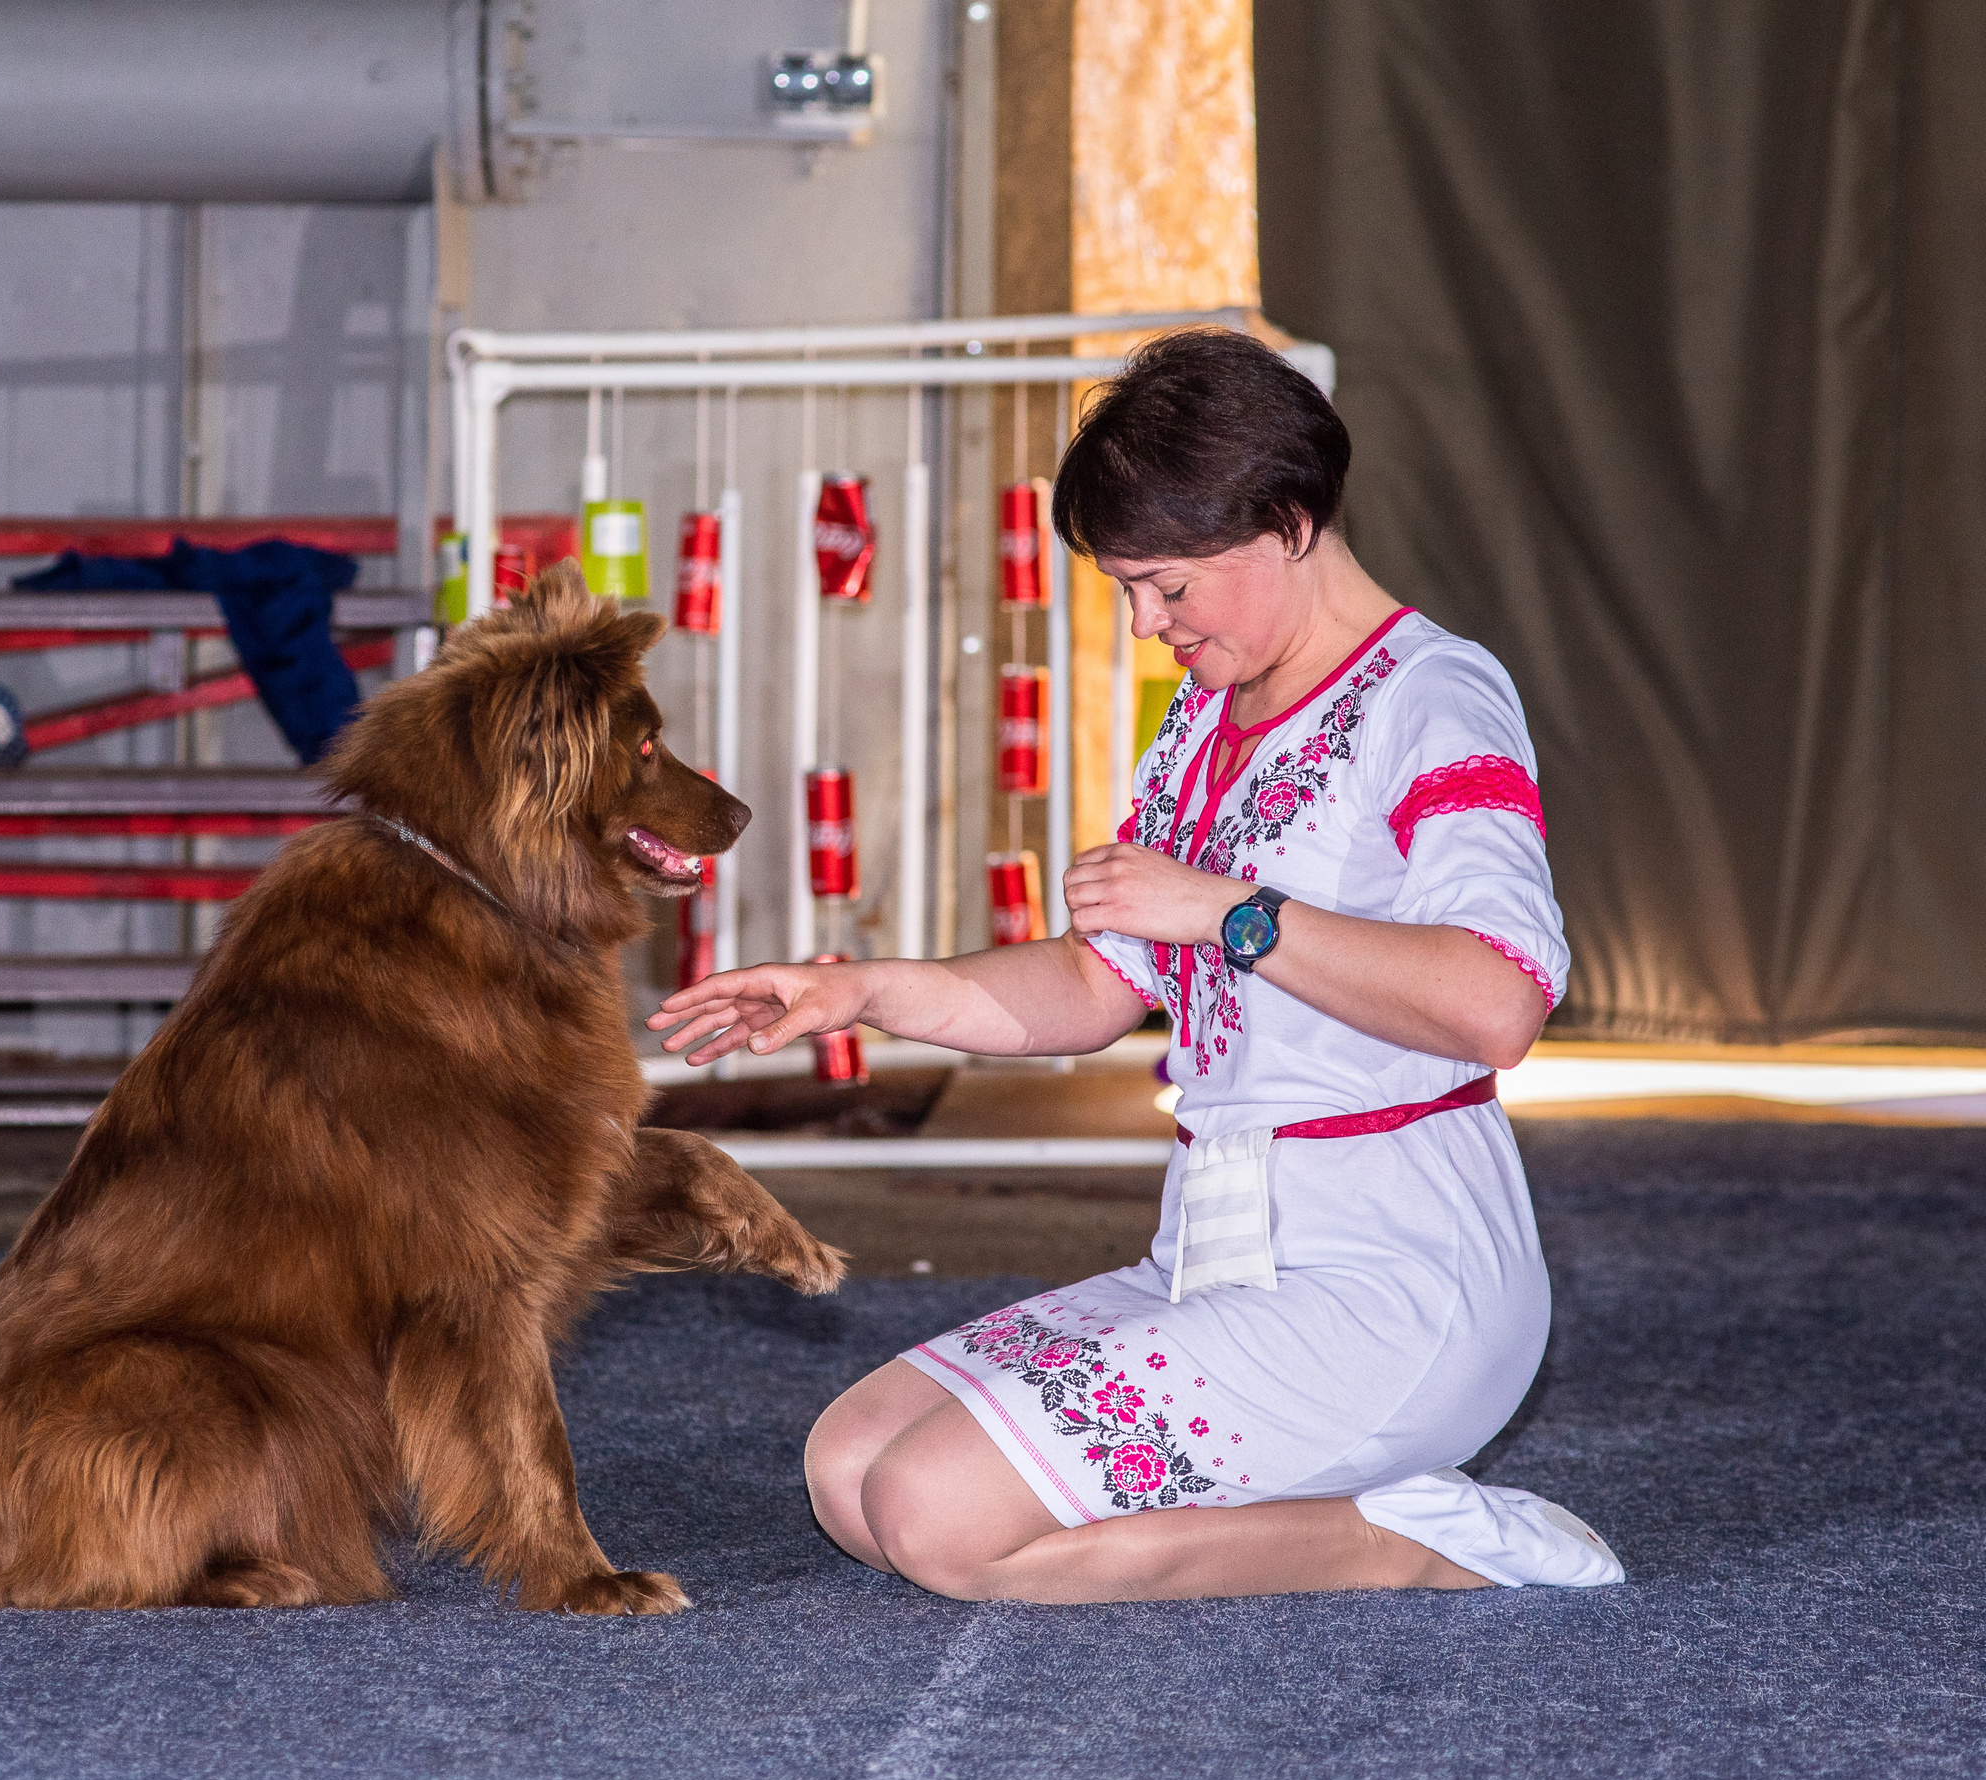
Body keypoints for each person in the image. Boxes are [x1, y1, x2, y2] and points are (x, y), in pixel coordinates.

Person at [649, 329, 1623, 1602]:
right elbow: (1093, 986)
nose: (1145, 623)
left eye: (1165, 586)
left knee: (934, 1518)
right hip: (1209, 1252)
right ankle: (1323, 1497)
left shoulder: (1435, 693)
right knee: (850, 1468)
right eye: (1125, 589)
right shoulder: (1205, 717)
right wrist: (858, 990)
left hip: (1396, 1277)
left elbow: (1498, 1002)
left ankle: (1407, 1538)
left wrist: (1229, 912)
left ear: (1288, 523)